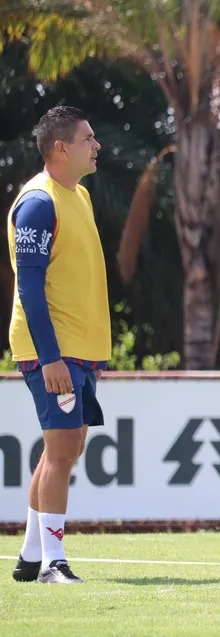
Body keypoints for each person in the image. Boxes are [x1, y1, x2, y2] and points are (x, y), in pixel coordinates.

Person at [8, 106, 111, 583]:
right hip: (53, 350)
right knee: (63, 450)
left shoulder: (80, 197)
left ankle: (32, 558)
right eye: (87, 138)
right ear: (60, 148)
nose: (96, 145)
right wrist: (49, 358)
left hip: (78, 348)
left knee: (61, 452)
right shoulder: (37, 202)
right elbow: (28, 286)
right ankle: (54, 562)